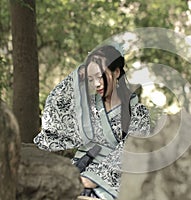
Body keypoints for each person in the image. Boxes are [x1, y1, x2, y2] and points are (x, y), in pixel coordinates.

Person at [34, 45, 151, 200]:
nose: (96, 84)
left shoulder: (138, 112)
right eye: (91, 79)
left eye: (100, 76)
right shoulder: (86, 108)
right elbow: (55, 110)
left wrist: (92, 179)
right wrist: (77, 75)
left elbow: (131, 151)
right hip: (77, 171)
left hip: (110, 184)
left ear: (116, 72)